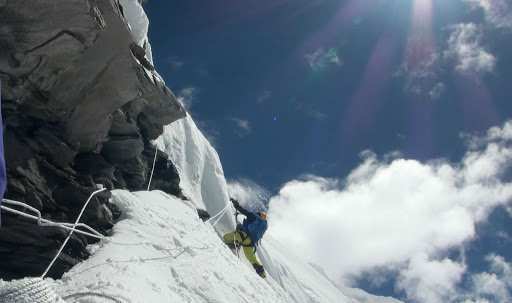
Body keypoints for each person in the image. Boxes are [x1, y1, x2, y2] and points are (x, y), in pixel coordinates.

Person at [223, 198, 268, 278]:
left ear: (259, 214)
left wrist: (235, 204)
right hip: (250, 243)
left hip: (242, 235)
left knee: (226, 237)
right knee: (250, 256)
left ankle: (236, 245)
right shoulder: (262, 226)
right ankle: (261, 271)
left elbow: (243, 210)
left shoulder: (253, 217)